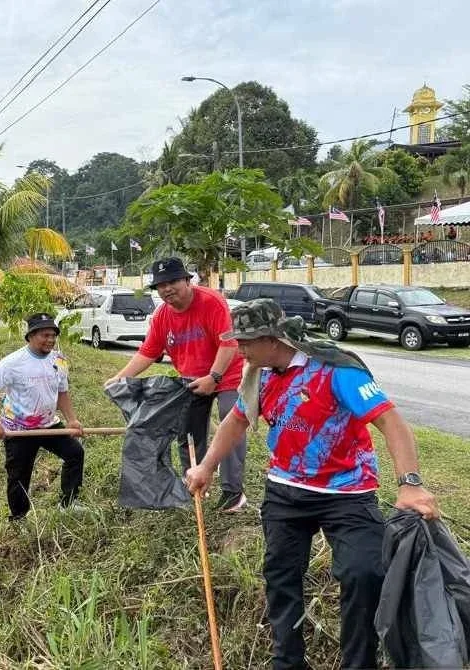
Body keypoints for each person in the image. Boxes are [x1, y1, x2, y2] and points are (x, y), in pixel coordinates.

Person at [185, 299, 439, 670]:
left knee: (363, 573)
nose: (238, 349)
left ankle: (360, 662)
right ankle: (287, 662)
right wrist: (206, 467)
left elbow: (392, 423)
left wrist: (410, 483)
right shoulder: (260, 374)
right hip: (286, 491)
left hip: (347, 493)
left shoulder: (337, 371)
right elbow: (236, 422)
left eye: (245, 341)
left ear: (272, 339)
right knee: (280, 575)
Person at [105, 257, 247, 512]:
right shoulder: (162, 316)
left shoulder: (211, 302)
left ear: (186, 280)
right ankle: (196, 485)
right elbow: (148, 352)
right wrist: (120, 377)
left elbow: (230, 343)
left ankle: (233, 492)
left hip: (227, 375)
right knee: (189, 436)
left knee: (232, 424)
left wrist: (214, 378)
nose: (167, 289)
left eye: (172, 282)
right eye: (161, 285)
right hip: (190, 381)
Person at [0, 312, 85, 520]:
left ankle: (69, 503)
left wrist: (71, 419)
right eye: (45, 335)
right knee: (19, 475)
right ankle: (19, 517)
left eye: (53, 335)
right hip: (19, 429)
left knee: (75, 453)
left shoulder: (59, 360)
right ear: (30, 336)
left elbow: (62, 392)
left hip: (49, 425)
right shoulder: (12, 362)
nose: (50, 340)